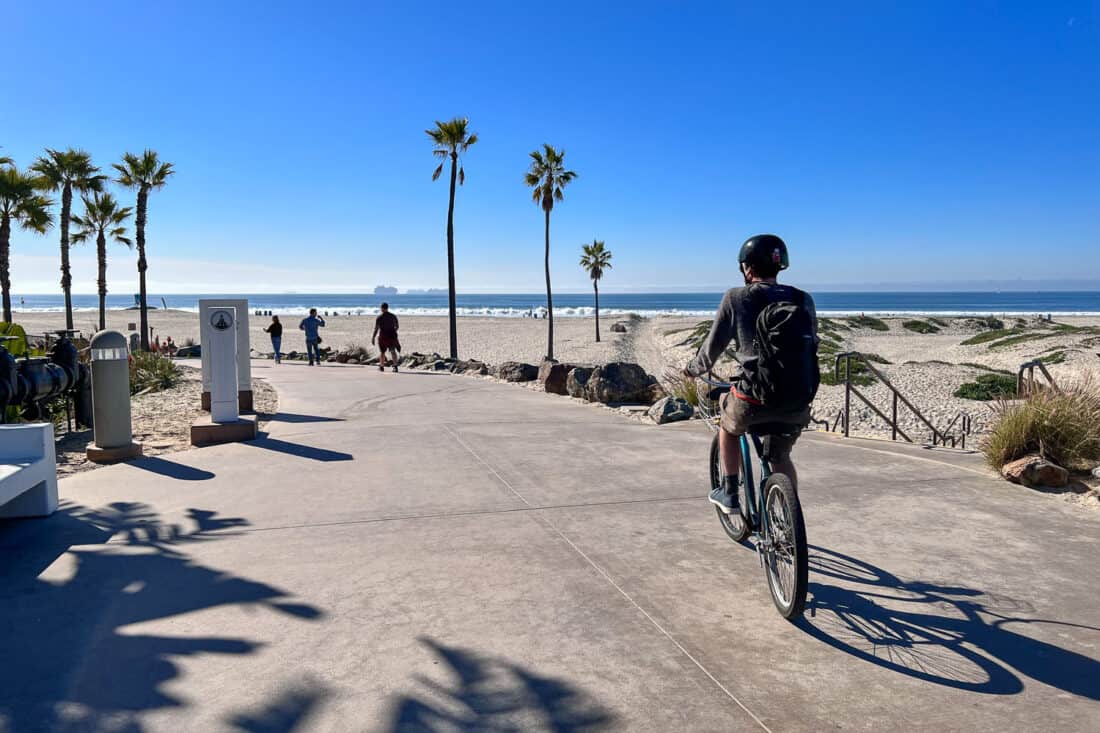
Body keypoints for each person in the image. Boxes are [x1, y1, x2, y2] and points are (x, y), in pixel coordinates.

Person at [683, 234, 819, 513]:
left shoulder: (736, 297)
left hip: (753, 397)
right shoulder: (803, 299)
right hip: (797, 398)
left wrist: (693, 370)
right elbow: (812, 343)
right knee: (779, 456)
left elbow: (712, 349)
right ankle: (788, 517)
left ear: (747, 268)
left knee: (728, 426)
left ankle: (730, 492)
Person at [372, 302, 401, 372]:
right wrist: (393, 331)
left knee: (382, 352)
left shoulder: (379, 317)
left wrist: (373, 337)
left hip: (383, 336)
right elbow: (397, 327)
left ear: (382, 308)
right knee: (393, 351)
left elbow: (376, 329)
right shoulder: (393, 316)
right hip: (392, 335)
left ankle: (381, 367)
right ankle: (395, 366)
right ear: (387, 308)